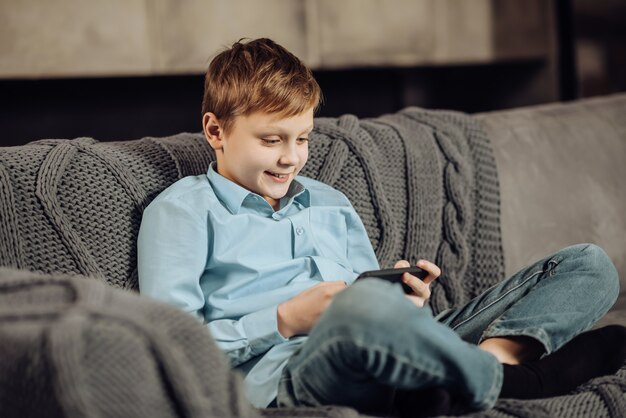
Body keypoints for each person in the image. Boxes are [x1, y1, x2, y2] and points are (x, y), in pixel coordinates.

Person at [137, 38, 626, 417]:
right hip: (296, 370)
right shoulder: (182, 212)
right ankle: (523, 382)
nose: (291, 157)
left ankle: (483, 368)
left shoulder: (329, 202)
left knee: (589, 265)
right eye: (271, 140)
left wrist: (403, 299)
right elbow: (172, 349)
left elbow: (367, 299)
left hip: (391, 340)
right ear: (215, 131)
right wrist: (285, 319)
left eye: (303, 138)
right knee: (365, 315)